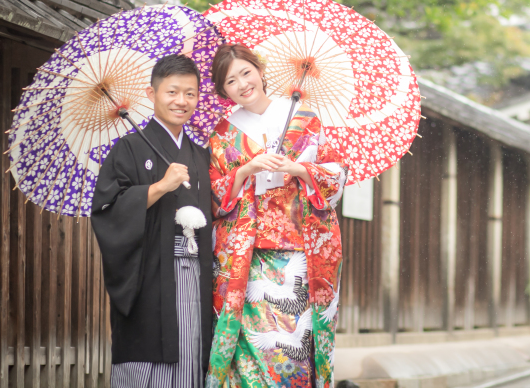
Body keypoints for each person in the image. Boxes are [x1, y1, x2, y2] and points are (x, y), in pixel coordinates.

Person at [206, 44, 346, 387]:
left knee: (293, 345)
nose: (241, 84)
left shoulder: (303, 118)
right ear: (224, 92)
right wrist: (244, 171)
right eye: (230, 81)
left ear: (260, 70)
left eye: (246, 72)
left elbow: (336, 177)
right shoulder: (223, 134)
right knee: (249, 345)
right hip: (247, 260)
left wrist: (298, 168)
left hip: (299, 257)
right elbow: (213, 193)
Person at [91, 54, 213, 387]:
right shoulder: (127, 149)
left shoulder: (201, 155)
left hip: (197, 271)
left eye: (190, 93)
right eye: (172, 92)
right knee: (149, 359)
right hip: (148, 274)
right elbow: (107, 210)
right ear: (151, 93)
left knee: (192, 353)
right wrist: (160, 187)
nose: (181, 101)